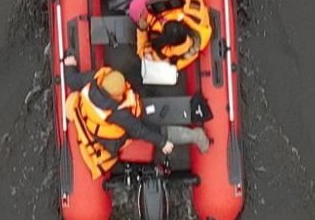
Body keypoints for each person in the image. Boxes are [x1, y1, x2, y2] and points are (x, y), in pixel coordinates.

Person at [61, 56, 210, 179]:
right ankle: (195, 136)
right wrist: (162, 142)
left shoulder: (93, 80)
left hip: (97, 119)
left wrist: (69, 66)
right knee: (154, 129)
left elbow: (73, 80)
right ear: (116, 96)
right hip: (114, 138)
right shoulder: (118, 114)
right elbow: (138, 129)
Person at [128, 0, 212, 71]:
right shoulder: (196, 18)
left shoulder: (163, 53)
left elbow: (143, 52)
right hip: (173, 10)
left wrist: (143, 30)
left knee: (135, 7)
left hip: (153, 20)